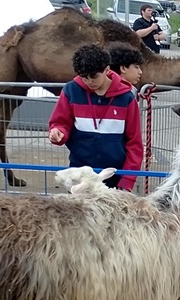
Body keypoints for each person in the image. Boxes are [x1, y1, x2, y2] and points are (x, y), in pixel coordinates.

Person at [48, 45, 142, 191]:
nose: (89, 82)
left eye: (94, 76)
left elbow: (134, 143)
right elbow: (60, 122)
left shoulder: (127, 98)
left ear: (107, 70)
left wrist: (127, 181)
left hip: (115, 176)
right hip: (79, 176)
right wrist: (58, 132)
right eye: (84, 77)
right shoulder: (71, 90)